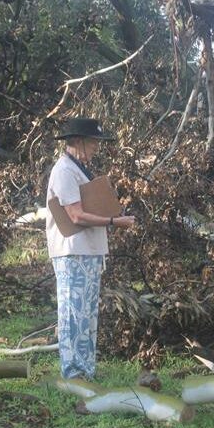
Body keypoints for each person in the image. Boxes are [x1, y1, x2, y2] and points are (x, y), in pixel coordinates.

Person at [46, 117, 135, 379]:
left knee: (87, 314)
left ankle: (85, 370)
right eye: (93, 142)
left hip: (88, 251)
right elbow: (76, 216)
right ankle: (73, 373)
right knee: (74, 314)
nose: (97, 146)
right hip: (72, 252)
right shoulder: (64, 171)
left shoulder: (79, 169)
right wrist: (113, 221)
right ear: (77, 142)